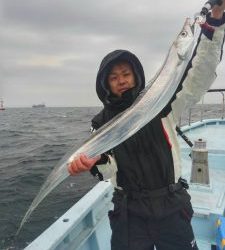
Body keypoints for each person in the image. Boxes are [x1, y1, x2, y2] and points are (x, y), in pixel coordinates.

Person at [68, 3, 225, 250]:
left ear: (135, 75)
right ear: (105, 84)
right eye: (114, 77)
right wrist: (93, 162)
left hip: (172, 205)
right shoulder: (100, 123)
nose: (121, 81)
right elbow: (107, 172)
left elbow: (201, 73)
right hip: (129, 212)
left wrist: (215, 22)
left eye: (125, 74)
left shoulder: (162, 102)